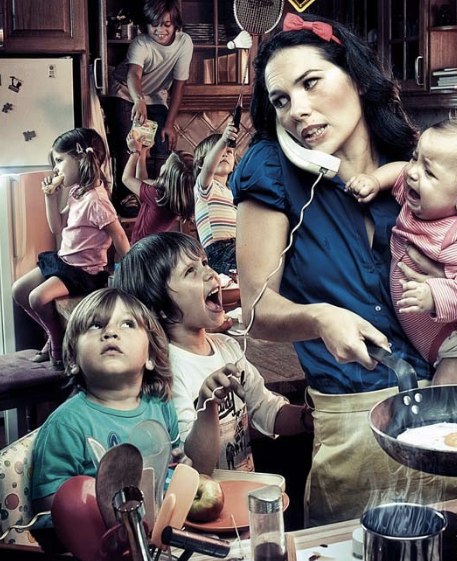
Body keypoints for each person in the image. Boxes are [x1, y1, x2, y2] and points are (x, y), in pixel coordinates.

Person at [230, 13, 457, 527]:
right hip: (359, 443)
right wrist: (320, 318)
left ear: (355, 77)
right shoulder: (271, 168)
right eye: (280, 100)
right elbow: (256, 311)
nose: (297, 110)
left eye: (310, 83)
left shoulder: (421, 168)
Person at [113, 232, 312, 475]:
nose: (210, 273)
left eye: (205, 263)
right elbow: (194, 465)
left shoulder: (228, 348)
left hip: (243, 490)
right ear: (159, 308)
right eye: (190, 271)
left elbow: (266, 410)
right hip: (200, 497)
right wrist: (207, 407)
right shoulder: (166, 370)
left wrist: (307, 419)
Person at [345, 116, 457, 387]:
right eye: (416, 158)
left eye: (429, 172)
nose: (413, 172)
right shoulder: (424, 201)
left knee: (445, 407)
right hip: (444, 339)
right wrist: (375, 181)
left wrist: (434, 294)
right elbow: (400, 172)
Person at [31, 288, 179, 513]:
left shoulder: (161, 405)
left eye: (127, 324)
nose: (110, 332)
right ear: (73, 359)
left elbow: (173, 463)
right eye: (96, 325)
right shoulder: (66, 425)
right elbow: (48, 504)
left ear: (150, 356)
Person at [12, 128, 131, 369]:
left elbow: (119, 235)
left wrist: (129, 269)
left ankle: (57, 342)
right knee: (19, 290)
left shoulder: (97, 200)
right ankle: (52, 332)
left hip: (83, 272)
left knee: (37, 297)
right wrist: (50, 198)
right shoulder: (78, 192)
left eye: (59, 161)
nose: (55, 169)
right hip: (64, 262)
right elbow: (57, 227)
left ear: (80, 158)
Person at [106, 0, 193, 215]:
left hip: (155, 95)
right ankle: (129, 197)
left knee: (162, 142)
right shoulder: (140, 44)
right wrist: (138, 100)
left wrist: (170, 124)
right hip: (126, 92)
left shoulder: (184, 43)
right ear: (146, 24)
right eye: (154, 25)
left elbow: (179, 85)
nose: (160, 30)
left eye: (166, 24)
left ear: (175, 25)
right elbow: (133, 74)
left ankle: (160, 193)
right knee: (131, 143)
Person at [123, 131, 195, 243]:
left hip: (141, 246)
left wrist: (135, 152)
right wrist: (143, 151)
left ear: (168, 175)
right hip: (153, 246)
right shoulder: (171, 194)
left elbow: (126, 179)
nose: (163, 164)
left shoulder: (157, 194)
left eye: (166, 164)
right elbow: (142, 180)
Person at [193, 122, 239, 274]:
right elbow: (208, 168)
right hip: (219, 251)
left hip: (238, 246)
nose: (225, 154)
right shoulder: (206, 186)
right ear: (202, 163)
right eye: (220, 151)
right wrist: (224, 140)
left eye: (229, 152)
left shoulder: (231, 192)